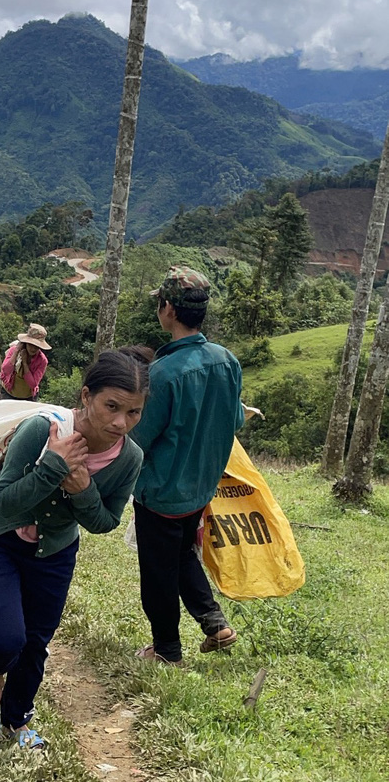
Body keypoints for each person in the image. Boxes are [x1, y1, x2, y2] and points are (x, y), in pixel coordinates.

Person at [0, 347, 149, 751]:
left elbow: (105, 522)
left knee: (36, 642)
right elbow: (2, 502)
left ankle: (16, 718)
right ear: (86, 397)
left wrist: (83, 490)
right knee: (5, 639)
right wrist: (52, 466)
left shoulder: (129, 458)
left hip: (55, 554)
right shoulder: (40, 430)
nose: (121, 422)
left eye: (133, 412)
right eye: (111, 406)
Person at [130, 266, 244, 666]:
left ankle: (166, 652)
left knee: (158, 575)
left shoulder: (163, 373)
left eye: (159, 303)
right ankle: (215, 624)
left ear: (168, 309)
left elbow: (138, 438)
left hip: (161, 491)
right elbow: (235, 420)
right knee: (181, 555)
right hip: (200, 488)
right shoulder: (226, 361)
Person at [0, 323, 51, 401]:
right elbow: (5, 370)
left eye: (36, 346)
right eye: (31, 345)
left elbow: (33, 384)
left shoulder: (42, 360)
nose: (33, 349)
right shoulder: (14, 350)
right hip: (8, 393)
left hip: (28, 397)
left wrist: (25, 363)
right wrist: (16, 352)